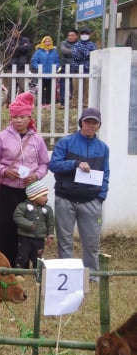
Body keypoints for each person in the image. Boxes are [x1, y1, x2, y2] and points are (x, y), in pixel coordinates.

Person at [0, 92, 50, 265]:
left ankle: (23, 262)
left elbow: (45, 163)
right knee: (5, 226)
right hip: (8, 189)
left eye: (22, 117)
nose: (18, 121)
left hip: (30, 191)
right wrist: (4, 171)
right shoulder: (1, 137)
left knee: (27, 228)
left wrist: (36, 175)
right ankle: (3, 262)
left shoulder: (37, 139)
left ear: (29, 117)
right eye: (15, 117)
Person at [49, 108, 109, 278]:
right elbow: (53, 165)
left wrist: (100, 197)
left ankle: (92, 275)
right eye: (87, 122)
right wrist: (75, 163)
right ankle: (67, 275)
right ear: (81, 123)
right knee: (65, 241)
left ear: (99, 125)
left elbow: (106, 174)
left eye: (94, 122)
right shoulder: (66, 142)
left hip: (91, 201)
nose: (90, 125)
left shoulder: (103, 148)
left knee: (91, 242)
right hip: (65, 199)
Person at [13, 179, 54, 270]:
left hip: (39, 239)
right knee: (22, 256)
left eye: (46, 195)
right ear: (34, 196)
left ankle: (38, 274)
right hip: (25, 237)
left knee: (38, 257)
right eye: (43, 195)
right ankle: (19, 273)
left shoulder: (48, 209)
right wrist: (28, 224)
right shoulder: (23, 206)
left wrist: (50, 235)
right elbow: (17, 217)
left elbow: (50, 223)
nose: (46, 198)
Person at [30, 36, 60, 108]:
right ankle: (41, 103)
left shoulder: (54, 52)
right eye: (46, 41)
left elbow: (57, 61)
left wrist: (55, 67)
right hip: (41, 74)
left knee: (49, 89)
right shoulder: (38, 51)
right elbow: (34, 61)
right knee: (41, 89)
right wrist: (39, 67)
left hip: (50, 74)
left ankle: (48, 103)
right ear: (43, 42)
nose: (47, 42)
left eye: (49, 41)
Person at [71, 27, 97, 105]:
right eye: (83, 33)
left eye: (86, 34)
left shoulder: (92, 45)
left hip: (88, 69)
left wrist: (82, 53)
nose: (84, 35)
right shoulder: (76, 45)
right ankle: (75, 104)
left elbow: (94, 55)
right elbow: (76, 56)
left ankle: (86, 103)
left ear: (89, 35)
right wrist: (87, 54)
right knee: (76, 89)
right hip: (77, 69)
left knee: (87, 89)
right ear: (80, 35)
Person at [4, 25, 32, 92]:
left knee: (22, 86)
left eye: (16, 31)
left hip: (21, 66)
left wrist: (16, 47)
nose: (15, 33)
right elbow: (9, 51)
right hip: (11, 65)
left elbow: (26, 49)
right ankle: (10, 101)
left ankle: (21, 101)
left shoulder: (26, 40)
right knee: (11, 87)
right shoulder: (9, 41)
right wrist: (20, 48)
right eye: (13, 31)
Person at [58, 29, 78, 109]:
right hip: (65, 66)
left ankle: (74, 103)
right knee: (63, 85)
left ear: (77, 36)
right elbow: (64, 51)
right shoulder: (63, 43)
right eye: (69, 35)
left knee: (74, 86)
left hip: (75, 66)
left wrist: (73, 52)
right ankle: (62, 103)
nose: (70, 37)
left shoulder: (79, 44)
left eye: (72, 35)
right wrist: (76, 52)